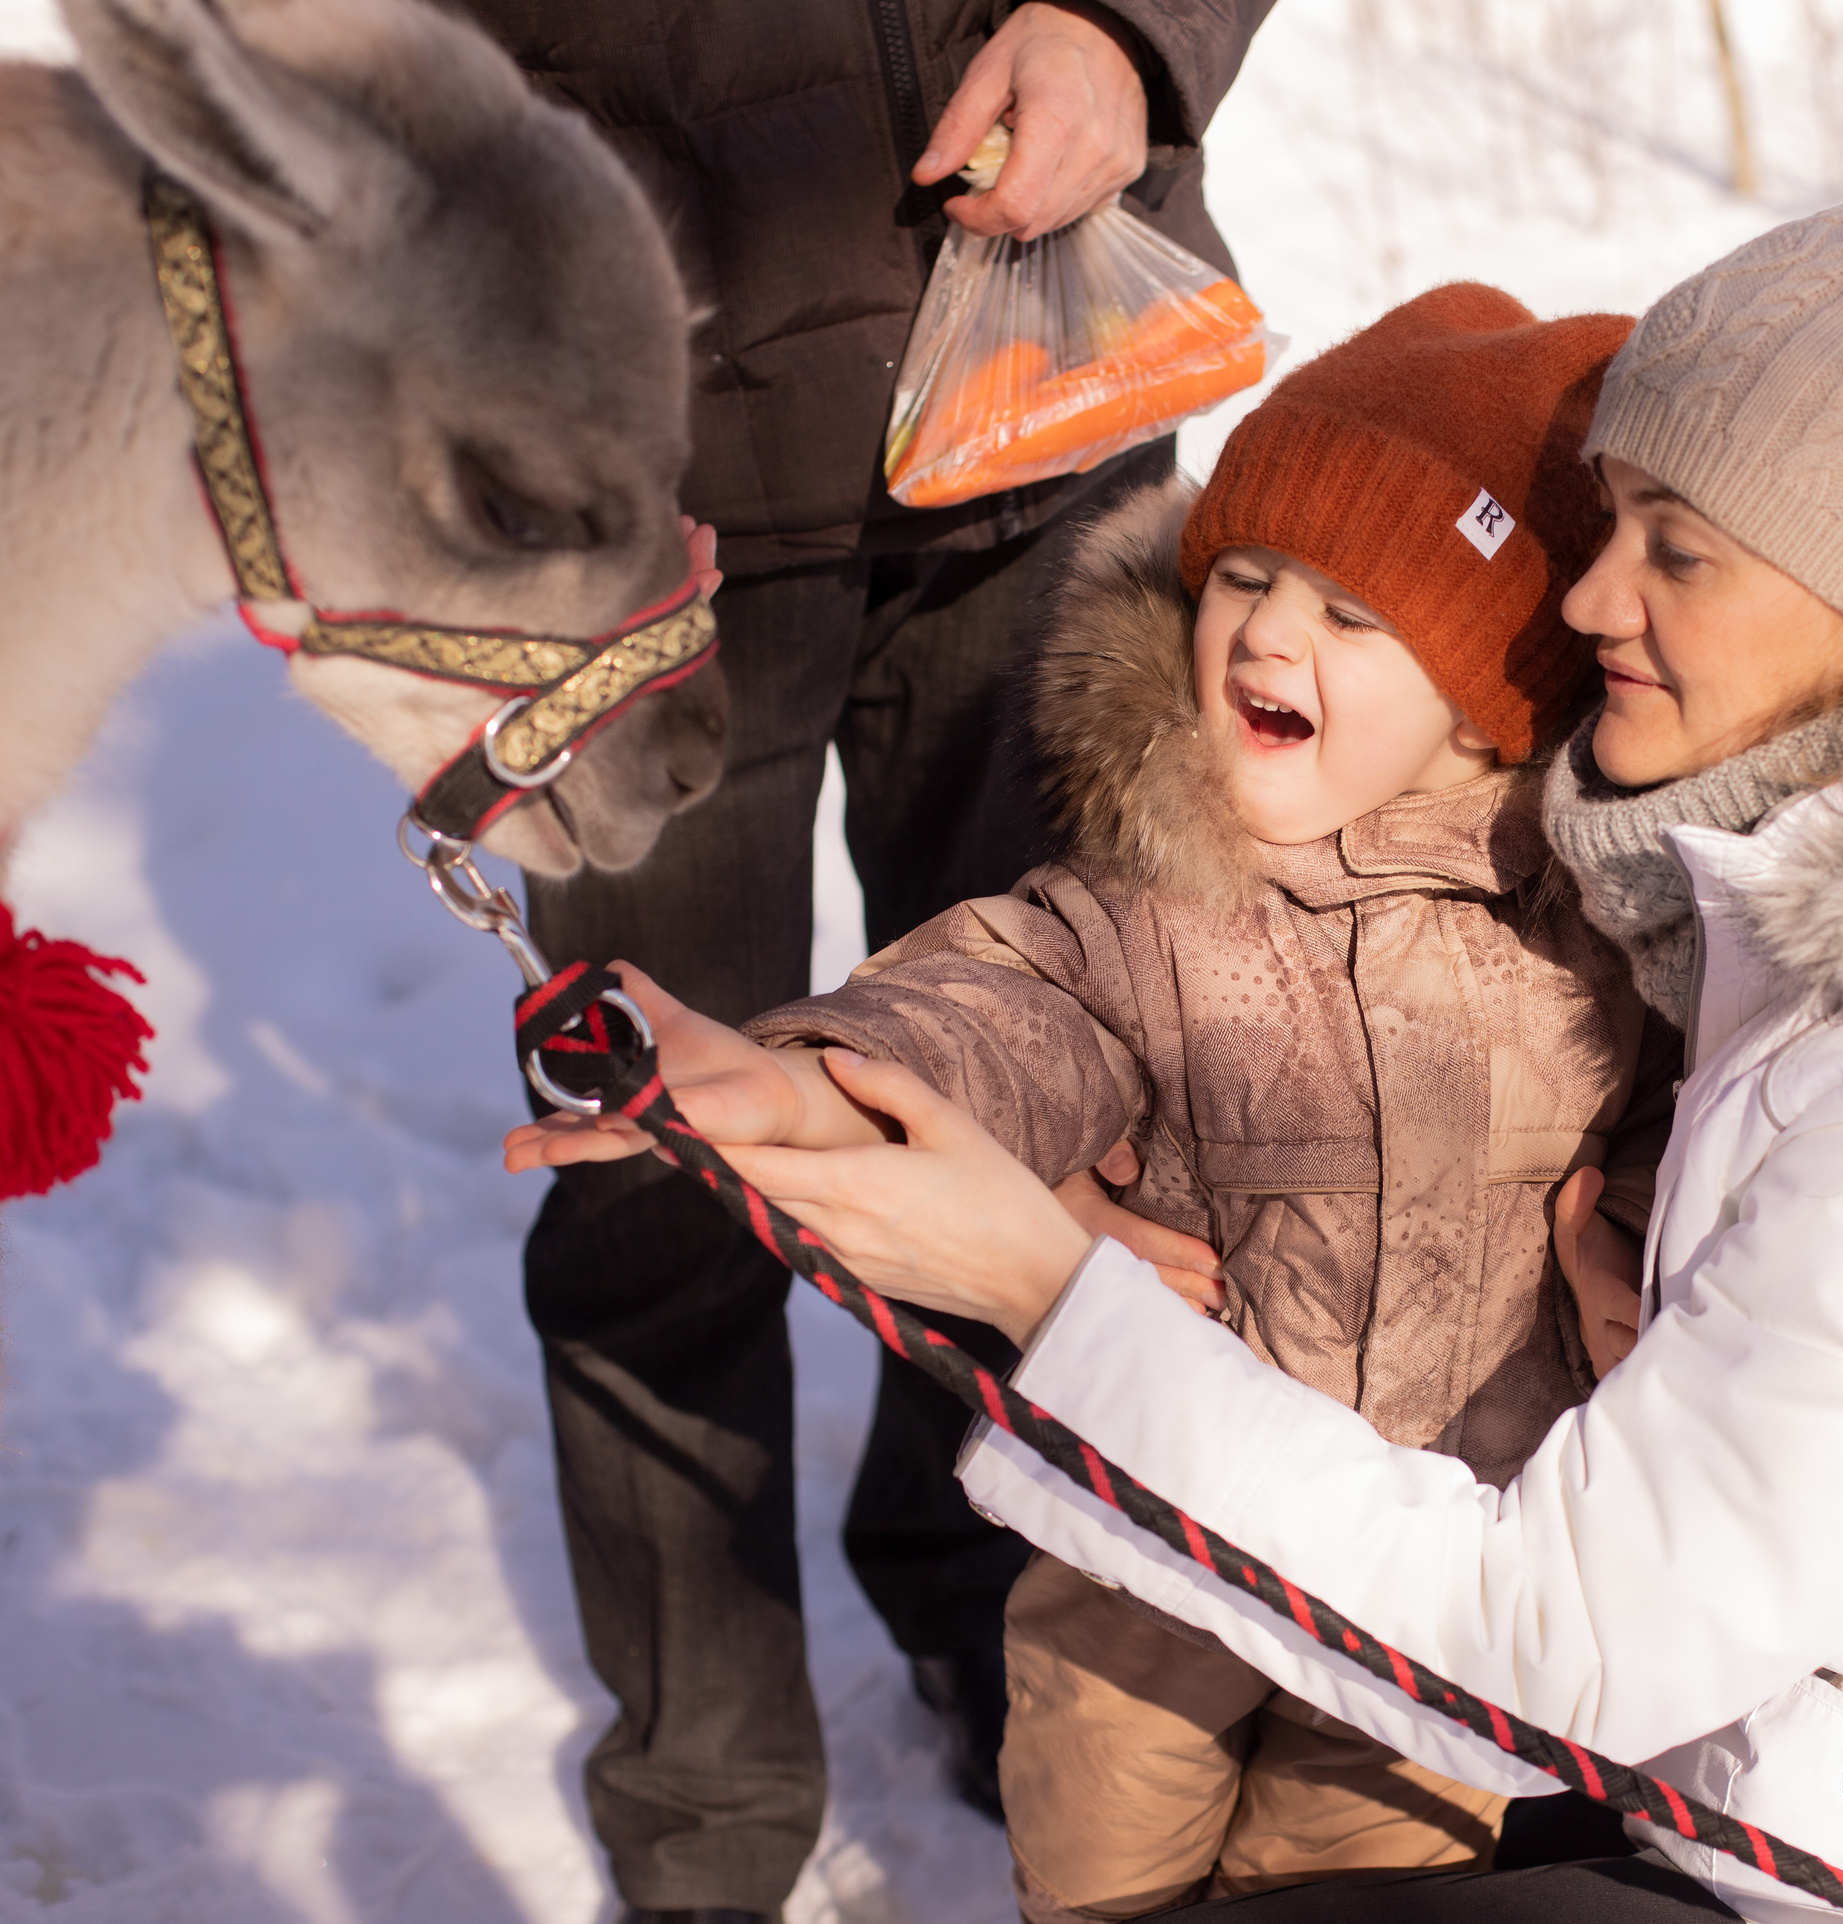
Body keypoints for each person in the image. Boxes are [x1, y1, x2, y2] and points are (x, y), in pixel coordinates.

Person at [617, 148, 1843, 1923]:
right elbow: (1041, 986)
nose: (1590, 586)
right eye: (1608, 512)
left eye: (1674, 548)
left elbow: (1555, 1633)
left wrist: (1039, 1283)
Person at [507, 284, 1686, 1919]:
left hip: (1434, 1588)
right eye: (1253, 582)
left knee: (1350, 1900)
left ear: (1493, 694)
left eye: (1355, 618)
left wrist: (1625, 1247)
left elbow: (1669, 1139)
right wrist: (794, 1083)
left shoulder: (1597, 938)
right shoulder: (1155, 892)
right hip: (1147, 1563)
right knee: (1100, 1879)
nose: (1271, 635)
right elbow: (991, 1006)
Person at [443, 0, 1273, 1915]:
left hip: (1051, 376)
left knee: (1061, 1109)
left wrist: (1133, 36)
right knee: (665, 1170)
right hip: (637, 450)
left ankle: (990, 1609)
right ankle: (704, 1820)